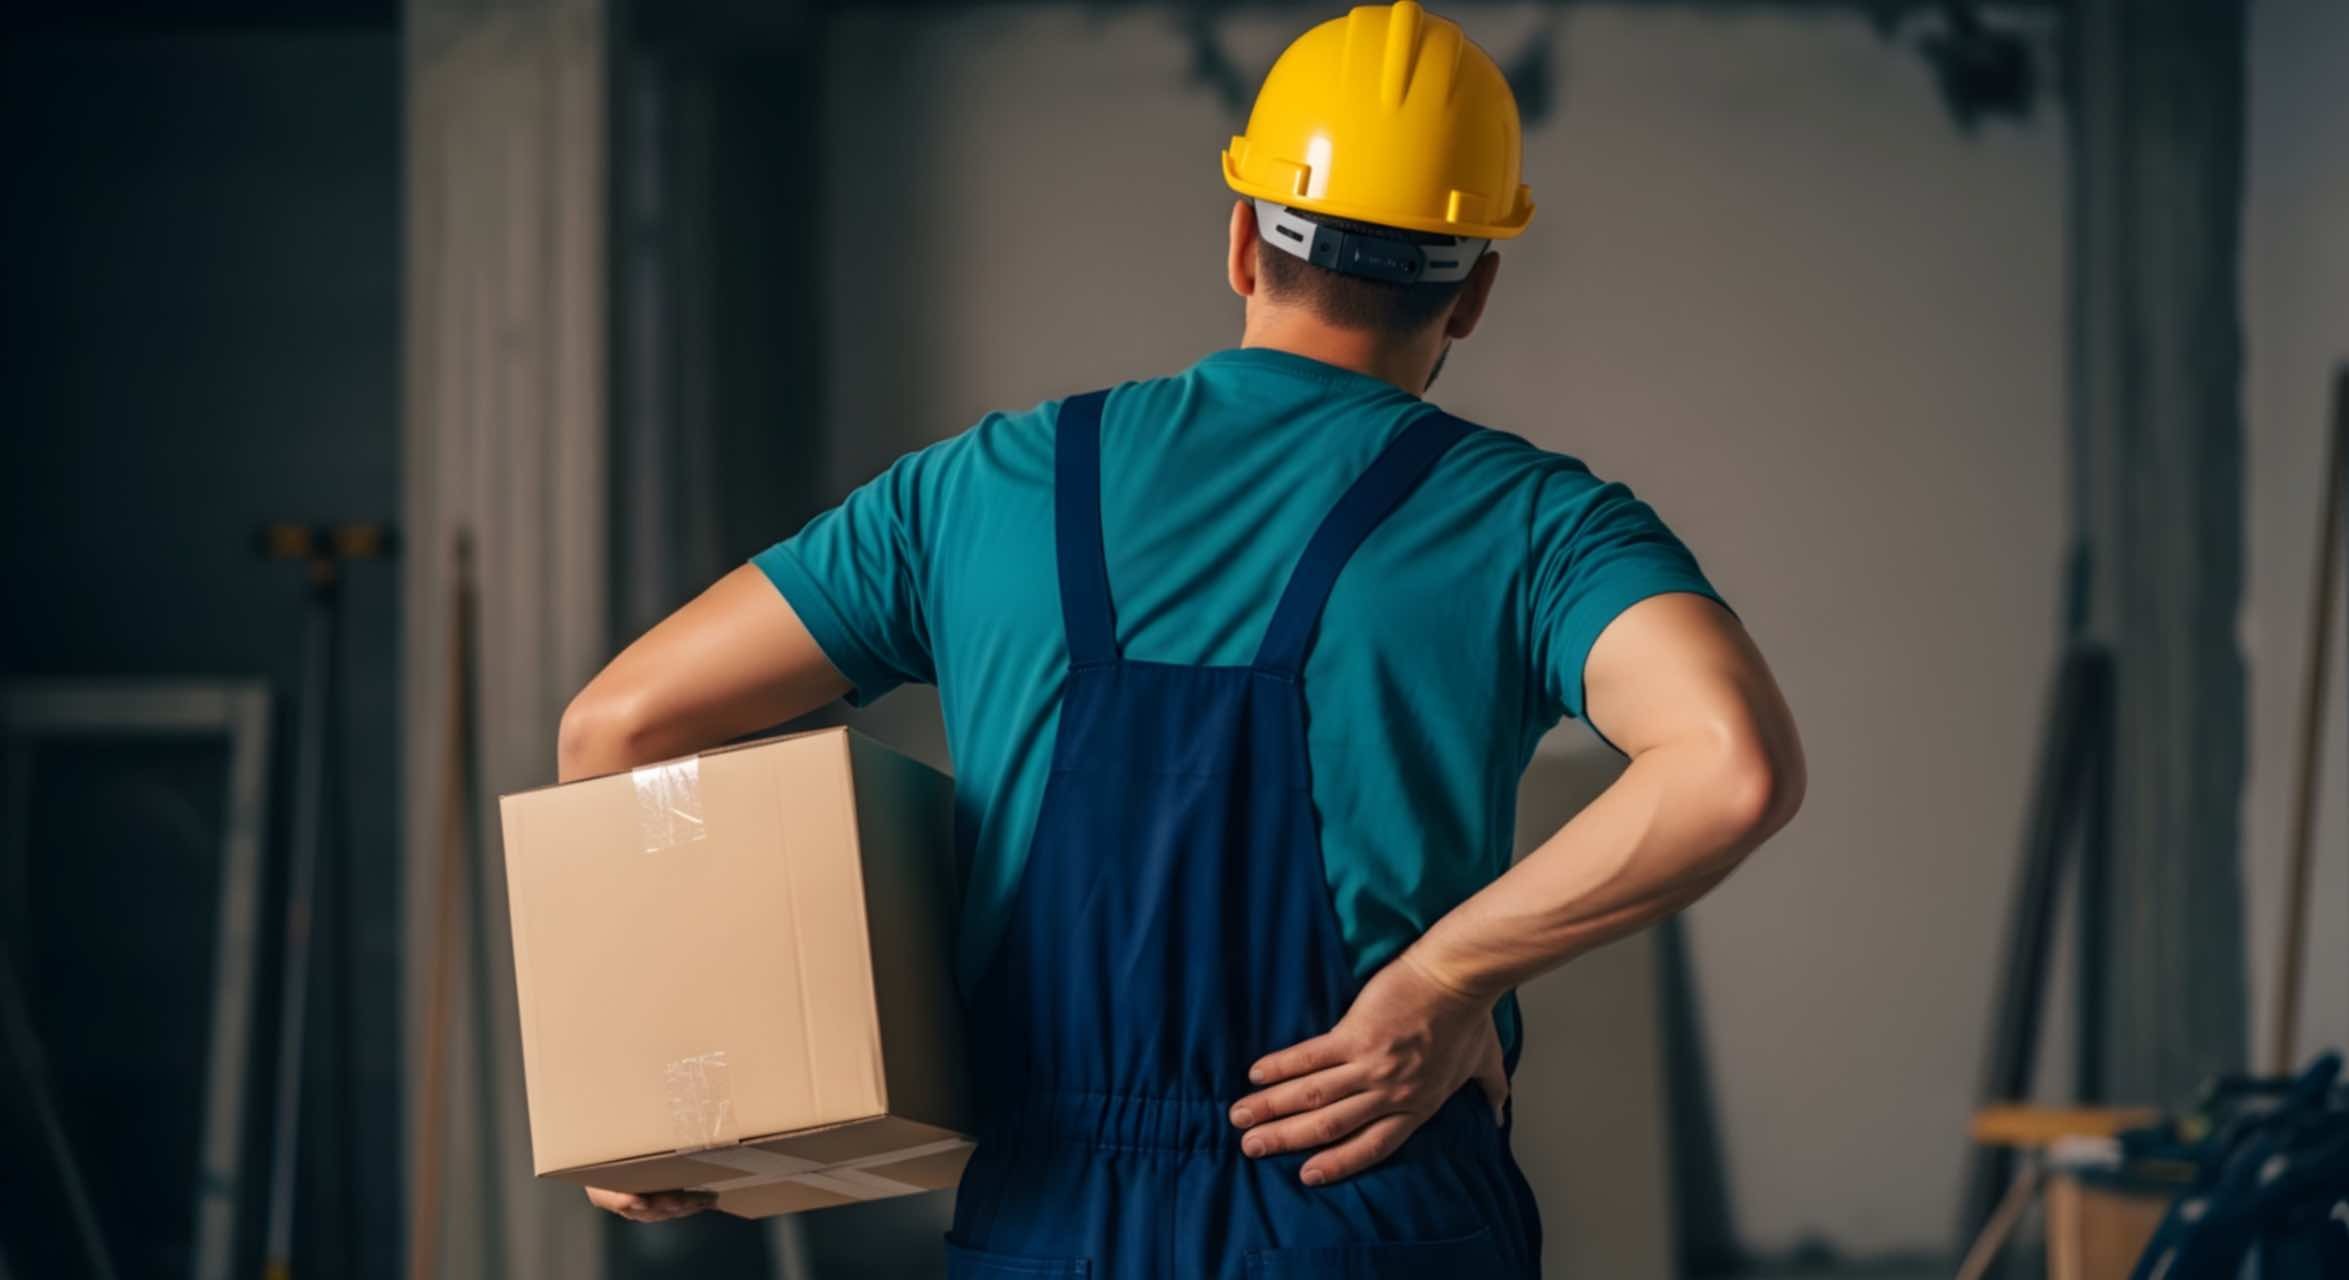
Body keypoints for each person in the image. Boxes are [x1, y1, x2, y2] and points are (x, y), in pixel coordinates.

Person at [557, 2, 1803, 1274]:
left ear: (1241, 243)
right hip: (1361, 1200)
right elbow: (1730, 764)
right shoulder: (1537, 524)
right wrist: (1443, 981)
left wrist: (657, 1108)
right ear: (1476, 284)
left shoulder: (979, 485)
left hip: (1050, 1220)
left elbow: (622, 724)